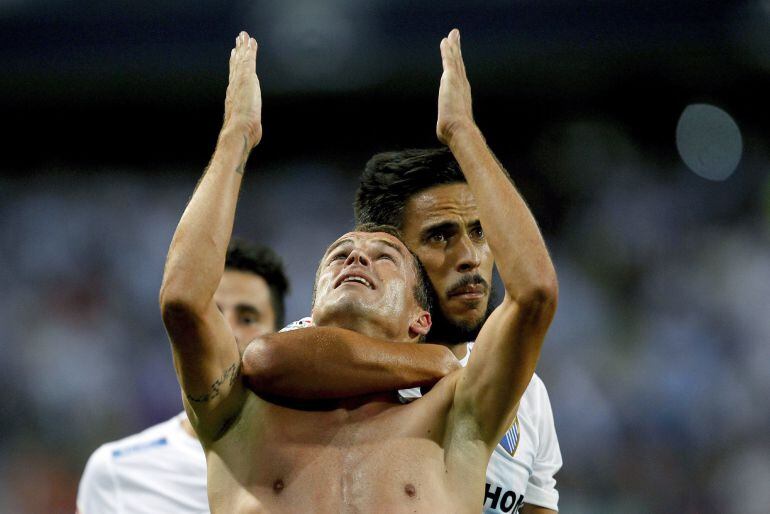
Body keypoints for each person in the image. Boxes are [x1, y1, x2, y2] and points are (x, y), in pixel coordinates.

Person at [160, 29, 557, 512]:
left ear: (420, 318)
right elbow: (183, 301)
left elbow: (534, 293)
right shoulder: (240, 410)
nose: (357, 256)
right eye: (338, 254)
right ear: (312, 309)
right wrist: (235, 136)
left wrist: (464, 133)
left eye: (384, 257)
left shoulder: (459, 412)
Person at [76, 239, 289, 514]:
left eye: (247, 318)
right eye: (214, 315)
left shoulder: (310, 464)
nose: (229, 333)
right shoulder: (117, 472)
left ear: (277, 337)